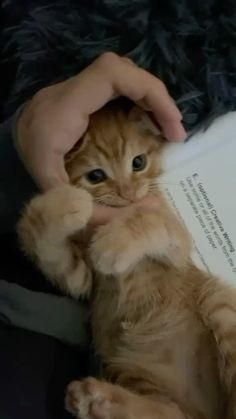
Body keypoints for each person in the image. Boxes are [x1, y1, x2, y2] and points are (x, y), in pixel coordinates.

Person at [0, 53, 186, 419]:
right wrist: (45, 238)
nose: (129, 193)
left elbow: (175, 247)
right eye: (97, 177)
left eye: (137, 165)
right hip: (134, 352)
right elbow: (83, 282)